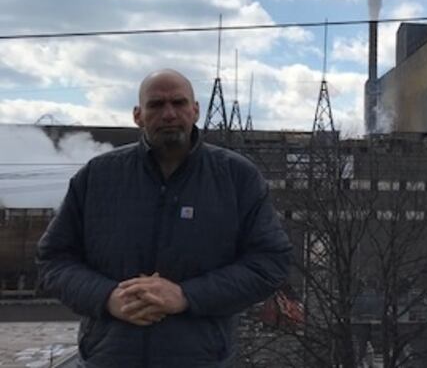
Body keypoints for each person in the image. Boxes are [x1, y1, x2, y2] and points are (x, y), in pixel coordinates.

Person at [37, 69, 292, 367]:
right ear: (138, 115)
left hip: (201, 359)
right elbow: (53, 260)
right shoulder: (98, 177)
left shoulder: (237, 177)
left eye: (179, 103)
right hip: (108, 358)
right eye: (156, 105)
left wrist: (186, 296)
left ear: (195, 110)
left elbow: (270, 262)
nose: (169, 113)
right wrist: (107, 298)